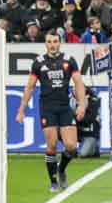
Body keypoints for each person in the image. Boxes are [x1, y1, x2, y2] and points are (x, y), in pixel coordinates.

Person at [15, 35, 88, 192]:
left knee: (71, 146)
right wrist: (22, 110)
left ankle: (61, 169)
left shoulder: (69, 60)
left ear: (59, 43)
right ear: (45, 43)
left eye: (55, 42)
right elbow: (30, 87)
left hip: (64, 106)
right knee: (52, 144)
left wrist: (82, 105)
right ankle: (53, 181)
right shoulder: (39, 63)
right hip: (47, 107)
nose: (52, 45)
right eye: (49, 42)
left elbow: (78, 83)